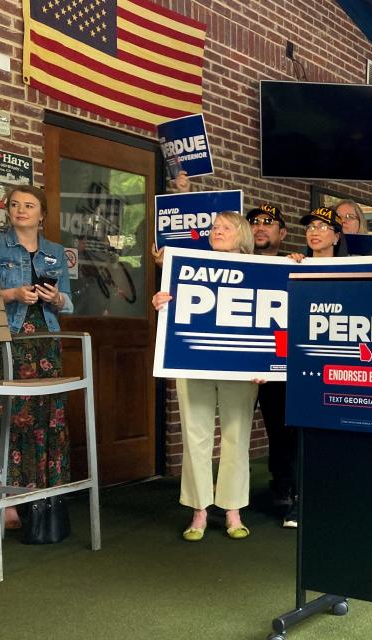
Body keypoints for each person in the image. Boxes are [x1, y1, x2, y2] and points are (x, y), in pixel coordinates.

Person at [151, 212, 260, 541]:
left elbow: (273, 315)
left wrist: (269, 363)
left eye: (226, 227)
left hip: (240, 367)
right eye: (214, 227)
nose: (217, 231)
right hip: (193, 362)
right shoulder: (187, 266)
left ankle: (232, 509)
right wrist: (161, 301)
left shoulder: (259, 270)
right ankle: (199, 509)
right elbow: (172, 309)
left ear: (242, 235)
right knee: (194, 435)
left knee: (236, 436)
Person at [0, 185, 73, 528]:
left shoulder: (56, 251)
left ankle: (42, 498)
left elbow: (67, 303)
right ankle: (4, 503)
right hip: (5, 341)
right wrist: (13, 293)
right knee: (6, 415)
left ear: (42, 214)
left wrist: (55, 298)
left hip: (45, 342)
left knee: (45, 417)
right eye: (14, 204)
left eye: (29, 205)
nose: (20, 210)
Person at [245, 204, 297, 527]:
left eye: (268, 222)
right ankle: (227, 499)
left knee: (280, 426)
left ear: (283, 233)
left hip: (276, 361)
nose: (260, 227)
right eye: (254, 222)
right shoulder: (234, 261)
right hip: (237, 362)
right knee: (235, 431)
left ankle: (284, 485)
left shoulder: (293, 266)